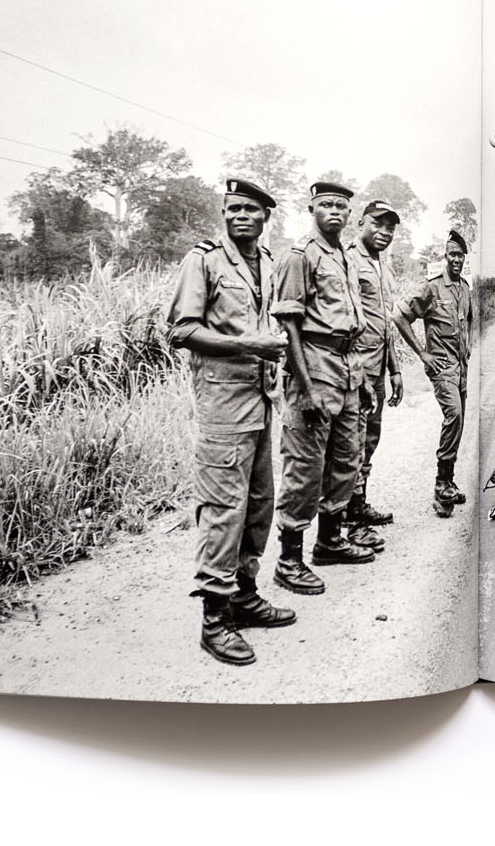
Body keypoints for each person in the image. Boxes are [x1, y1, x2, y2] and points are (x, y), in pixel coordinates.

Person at [166, 178, 295, 667]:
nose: (239, 216)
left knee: (259, 504)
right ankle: (215, 620)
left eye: (249, 209)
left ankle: (244, 595)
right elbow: (182, 330)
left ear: (266, 216)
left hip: (260, 399)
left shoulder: (267, 262)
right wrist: (250, 345)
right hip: (222, 404)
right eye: (232, 208)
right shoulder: (202, 260)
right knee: (223, 510)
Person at [270, 179, 374, 596]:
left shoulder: (344, 256)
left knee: (347, 457)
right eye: (326, 204)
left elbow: (350, 322)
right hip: (313, 364)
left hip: (347, 367)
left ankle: (329, 541)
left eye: (341, 206)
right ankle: (288, 560)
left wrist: (361, 379)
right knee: (305, 466)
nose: (334, 211)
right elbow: (289, 325)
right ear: (311, 209)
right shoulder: (300, 255)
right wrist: (307, 386)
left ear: (350, 214)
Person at [393, 230, 473, 510]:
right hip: (441, 367)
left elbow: (469, 318)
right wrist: (422, 353)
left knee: (459, 423)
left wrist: (469, 344)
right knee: (454, 415)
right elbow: (399, 315)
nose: (457, 260)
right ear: (445, 256)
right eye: (452, 255)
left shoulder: (464, 288)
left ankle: (448, 481)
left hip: (461, 369)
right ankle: (441, 485)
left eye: (461, 256)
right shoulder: (432, 287)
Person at [343, 199, 404, 549]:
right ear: (361, 224)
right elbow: (346, 322)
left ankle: (358, 505)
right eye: (377, 224)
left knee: (369, 441)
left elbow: (386, 325)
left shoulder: (382, 267)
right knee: (352, 443)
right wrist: (359, 370)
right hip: (355, 370)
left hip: (378, 368)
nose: (384, 232)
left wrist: (395, 369)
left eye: (390, 227)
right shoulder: (349, 260)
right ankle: (351, 522)